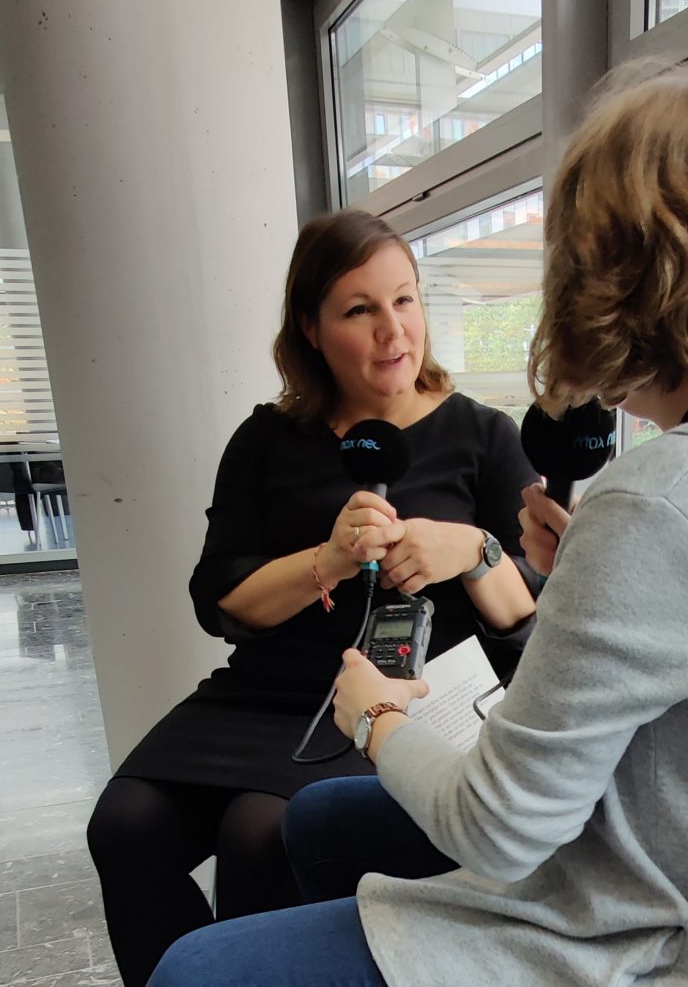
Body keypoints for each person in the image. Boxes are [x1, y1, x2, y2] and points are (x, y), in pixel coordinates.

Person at [147, 62, 688, 987]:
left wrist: (378, 715)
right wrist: (583, 563)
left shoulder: (665, 499)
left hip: (622, 934)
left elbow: (500, 828)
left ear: (608, 273)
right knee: (308, 820)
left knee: (196, 969)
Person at [86, 209, 539, 987]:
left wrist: (470, 548)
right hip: (261, 694)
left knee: (258, 832)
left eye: (404, 300)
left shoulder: (484, 435)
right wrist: (327, 559)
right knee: (124, 824)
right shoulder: (266, 439)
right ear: (312, 329)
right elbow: (222, 599)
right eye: (359, 310)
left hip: (385, 701)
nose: (393, 331)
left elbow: (528, 617)